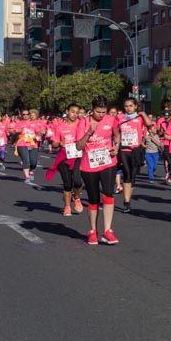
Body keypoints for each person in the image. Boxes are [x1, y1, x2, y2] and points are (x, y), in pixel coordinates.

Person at [73, 97, 120, 245]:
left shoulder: (111, 120)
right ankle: (93, 231)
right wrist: (89, 132)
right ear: (92, 109)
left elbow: (117, 135)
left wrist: (116, 147)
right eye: (98, 112)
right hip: (89, 165)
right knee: (93, 199)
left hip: (108, 162)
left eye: (103, 112)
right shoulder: (83, 122)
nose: (101, 115)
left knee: (108, 194)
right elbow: (78, 147)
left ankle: (108, 230)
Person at [116, 97, 154, 214]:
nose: (128, 108)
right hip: (124, 150)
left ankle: (127, 195)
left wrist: (143, 113)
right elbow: (116, 132)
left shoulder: (140, 117)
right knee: (126, 173)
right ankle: (126, 202)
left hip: (136, 150)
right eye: (126, 106)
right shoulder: (120, 117)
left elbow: (149, 124)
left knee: (132, 176)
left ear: (135, 106)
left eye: (131, 106)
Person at [49, 104, 85, 216]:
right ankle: (67, 206)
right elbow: (54, 143)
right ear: (67, 111)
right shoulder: (60, 127)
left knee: (78, 181)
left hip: (77, 156)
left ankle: (77, 197)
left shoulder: (81, 125)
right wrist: (60, 143)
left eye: (77, 112)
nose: (75, 114)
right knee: (67, 184)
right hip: (64, 157)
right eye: (72, 111)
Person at [12, 111, 42, 186]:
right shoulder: (19, 123)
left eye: (27, 114)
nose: (25, 115)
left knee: (33, 162)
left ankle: (31, 170)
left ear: (29, 115)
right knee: (26, 160)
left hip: (32, 143)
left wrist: (37, 135)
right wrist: (18, 131)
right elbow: (13, 131)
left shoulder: (34, 123)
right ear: (21, 115)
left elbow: (38, 132)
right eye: (23, 114)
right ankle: (27, 177)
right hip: (22, 143)